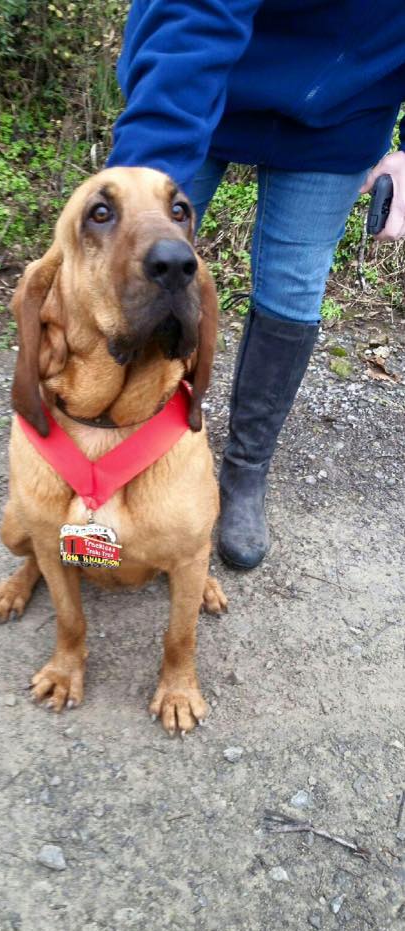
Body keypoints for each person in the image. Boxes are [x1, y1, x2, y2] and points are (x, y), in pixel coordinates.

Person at [107, 0, 405, 569]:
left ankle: (245, 471)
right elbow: (197, 13)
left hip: (346, 109)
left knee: (295, 290)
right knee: (137, 268)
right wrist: (138, 191)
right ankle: (117, 450)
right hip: (200, 78)